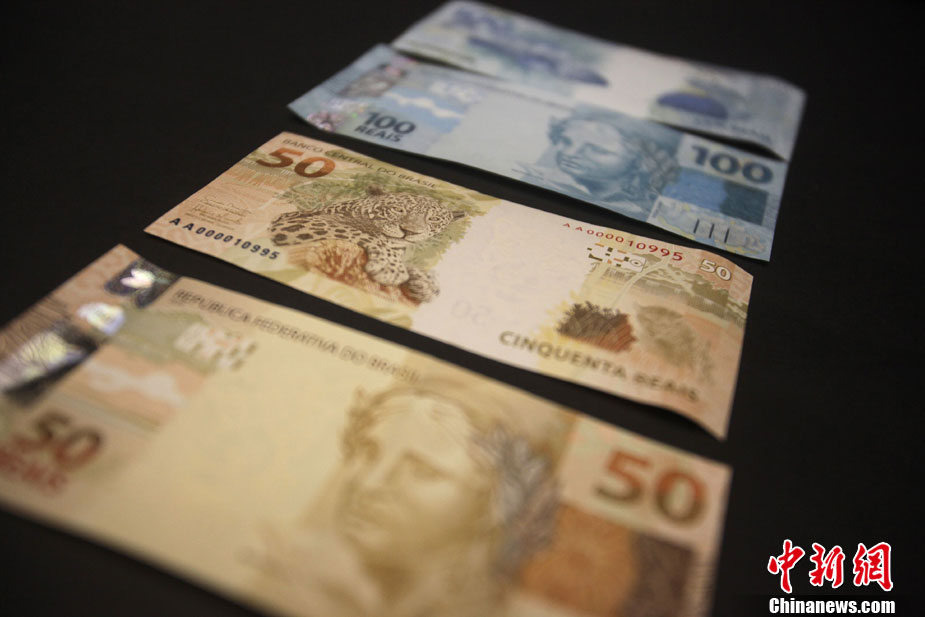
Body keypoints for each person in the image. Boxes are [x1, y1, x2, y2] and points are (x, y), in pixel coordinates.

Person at [252, 380, 567, 617]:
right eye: (368, 452)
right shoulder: (273, 565)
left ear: (493, 506)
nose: (369, 483)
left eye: (422, 471)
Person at [519, 110, 679, 217]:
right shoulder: (531, 179)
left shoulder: (644, 208)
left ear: (641, 162)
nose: (569, 153)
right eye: (566, 141)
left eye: (596, 150)